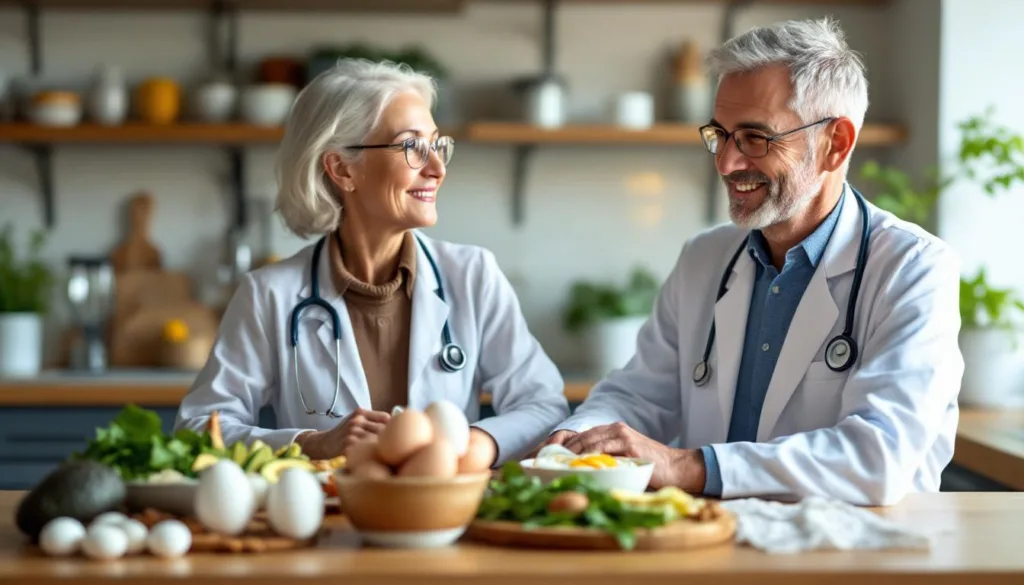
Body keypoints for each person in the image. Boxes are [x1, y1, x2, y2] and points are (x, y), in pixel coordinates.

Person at [540, 17, 963, 506]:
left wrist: (686, 466)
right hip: (713, 547)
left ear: (835, 144)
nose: (725, 162)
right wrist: (575, 442)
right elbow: (638, 395)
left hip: (846, 556)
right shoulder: (704, 259)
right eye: (720, 134)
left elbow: (879, 456)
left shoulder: (912, 268)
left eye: (755, 138)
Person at [175, 59, 569, 466]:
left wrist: (472, 446)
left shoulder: (473, 275)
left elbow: (545, 407)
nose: (437, 169)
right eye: (412, 147)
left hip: (445, 514)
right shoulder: (268, 294)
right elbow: (198, 427)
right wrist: (311, 443)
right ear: (343, 168)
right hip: (326, 518)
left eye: (437, 145)